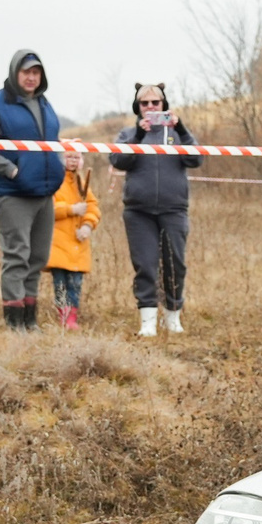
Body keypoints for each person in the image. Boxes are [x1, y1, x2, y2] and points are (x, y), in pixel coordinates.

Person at [0, 50, 67, 330]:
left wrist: (58, 167)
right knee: (17, 256)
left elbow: (52, 142)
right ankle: (14, 324)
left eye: (36, 72)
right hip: (12, 193)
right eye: (26, 72)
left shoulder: (44, 103)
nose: (31, 77)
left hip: (44, 192)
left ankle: (30, 320)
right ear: (15, 73)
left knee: (38, 258)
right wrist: (10, 169)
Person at [110, 83, 200, 336]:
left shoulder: (178, 134)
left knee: (175, 265)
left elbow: (196, 159)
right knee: (146, 266)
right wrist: (139, 136)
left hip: (174, 210)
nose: (150, 107)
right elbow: (118, 160)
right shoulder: (128, 134)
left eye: (155, 103)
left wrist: (180, 128)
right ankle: (148, 321)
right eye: (144, 103)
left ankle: (173, 317)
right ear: (137, 107)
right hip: (139, 212)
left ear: (164, 105)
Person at [45, 141, 101, 330]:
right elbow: (48, 208)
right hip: (57, 243)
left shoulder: (82, 184)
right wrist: (71, 209)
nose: (72, 161)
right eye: (69, 157)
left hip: (78, 244)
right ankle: (63, 316)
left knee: (75, 284)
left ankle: (72, 319)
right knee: (60, 283)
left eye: (76, 157)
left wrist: (87, 225)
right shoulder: (54, 181)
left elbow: (92, 207)